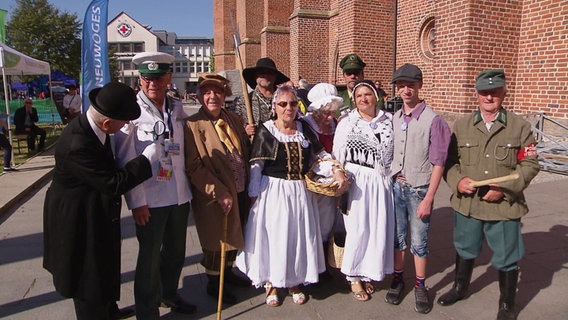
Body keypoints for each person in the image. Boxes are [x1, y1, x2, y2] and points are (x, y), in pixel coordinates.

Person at [43, 82, 156, 320]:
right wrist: (147, 160)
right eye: (123, 122)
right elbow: (113, 183)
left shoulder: (95, 128)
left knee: (103, 266)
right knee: (87, 277)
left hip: (95, 211)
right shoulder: (77, 143)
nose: (126, 126)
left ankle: (108, 310)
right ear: (107, 123)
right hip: (77, 220)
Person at [439, 69, 540, 320]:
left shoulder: (520, 127)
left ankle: (507, 303)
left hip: (503, 205)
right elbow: (450, 162)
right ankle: (460, 287)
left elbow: (530, 164)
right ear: (477, 94)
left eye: (495, 91)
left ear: (504, 93)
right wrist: (457, 181)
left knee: (507, 256)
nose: (489, 96)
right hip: (468, 204)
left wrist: (503, 189)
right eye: (484, 92)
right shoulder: (461, 126)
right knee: (465, 248)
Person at [235, 85, 349, 307]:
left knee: (297, 237)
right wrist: (254, 195)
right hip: (274, 192)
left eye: (293, 104)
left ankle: (294, 281)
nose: (289, 108)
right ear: (275, 106)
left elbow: (320, 155)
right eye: (283, 104)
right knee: (275, 238)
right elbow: (257, 164)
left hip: (299, 191)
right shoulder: (266, 130)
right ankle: (271, 282)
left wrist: (335, 169)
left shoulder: (302, 128)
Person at [113, 52, 195, 319]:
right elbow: (125, 160)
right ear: (140, 78)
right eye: (147, 78)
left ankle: (168, 293)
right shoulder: (131, 113)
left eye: (158, 78)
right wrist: (136, 202)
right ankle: (147, 311)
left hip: (179, 194)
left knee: (175, 253)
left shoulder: (177, 107)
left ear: (168, 78)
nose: (152, 84)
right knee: (149, 259)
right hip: (150, 199)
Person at [384, 64, 452, 314]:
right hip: (396, 186)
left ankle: (421, 285)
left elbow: (439, 163)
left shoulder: (433, 120)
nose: (405, 90)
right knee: (398, 238)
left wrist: (429, 198)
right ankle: (399, 278)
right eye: (401, 86)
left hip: (419, 189)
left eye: (410, 85)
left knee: (419, 242)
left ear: (419, 86)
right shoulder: (395, 117)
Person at [183, 74, 251, 304]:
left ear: (225, 95)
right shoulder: (192, 125)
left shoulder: (234, 118)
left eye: (217, 92)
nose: (212, 96)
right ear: (201, 96)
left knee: (233, 232)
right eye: (207, 92)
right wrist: (218, 191)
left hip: (239, 187)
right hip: (213, 193)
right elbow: (193, 166)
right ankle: (214, 282)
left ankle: (228, 273)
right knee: (216, 239)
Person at [332, 80, 394, 302]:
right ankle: (354, 275)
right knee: (358, 230)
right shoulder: (347, 122)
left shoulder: (389, 121)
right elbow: (337, 156)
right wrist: (339, 182)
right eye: (359, 96)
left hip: (382, 183)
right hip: (357, 182)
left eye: (368, 94)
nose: (363, 99)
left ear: (376, 97)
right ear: (354, 99)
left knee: (377, 229)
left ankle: (369, 270)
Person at [303, 83, 344, 276]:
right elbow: (315, 155)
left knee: (327, 223)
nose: (329, 117)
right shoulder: (306, 125)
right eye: (325, 113)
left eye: (332, 112)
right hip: (313, 182)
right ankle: (310, 265)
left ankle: (325, 264)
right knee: (312, 224)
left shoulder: (335, 123)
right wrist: (333, 170)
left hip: (332, 184)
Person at [233, 57, 290, 136]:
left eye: (269, 72)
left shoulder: (287, 100)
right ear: (255, 76)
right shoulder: (242, 102)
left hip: (281, 144)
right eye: (261, 73)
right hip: (255, 147)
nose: (265, 75)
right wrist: (244, 131)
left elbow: (297, 122)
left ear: (275, 76)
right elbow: (232, 127)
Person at [336, 54, 385, 118]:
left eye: (356, 73)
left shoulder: (375, 98)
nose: (352, 76)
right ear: (344, 76)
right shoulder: (337, 99)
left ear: (362, 75)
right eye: (349, 73)